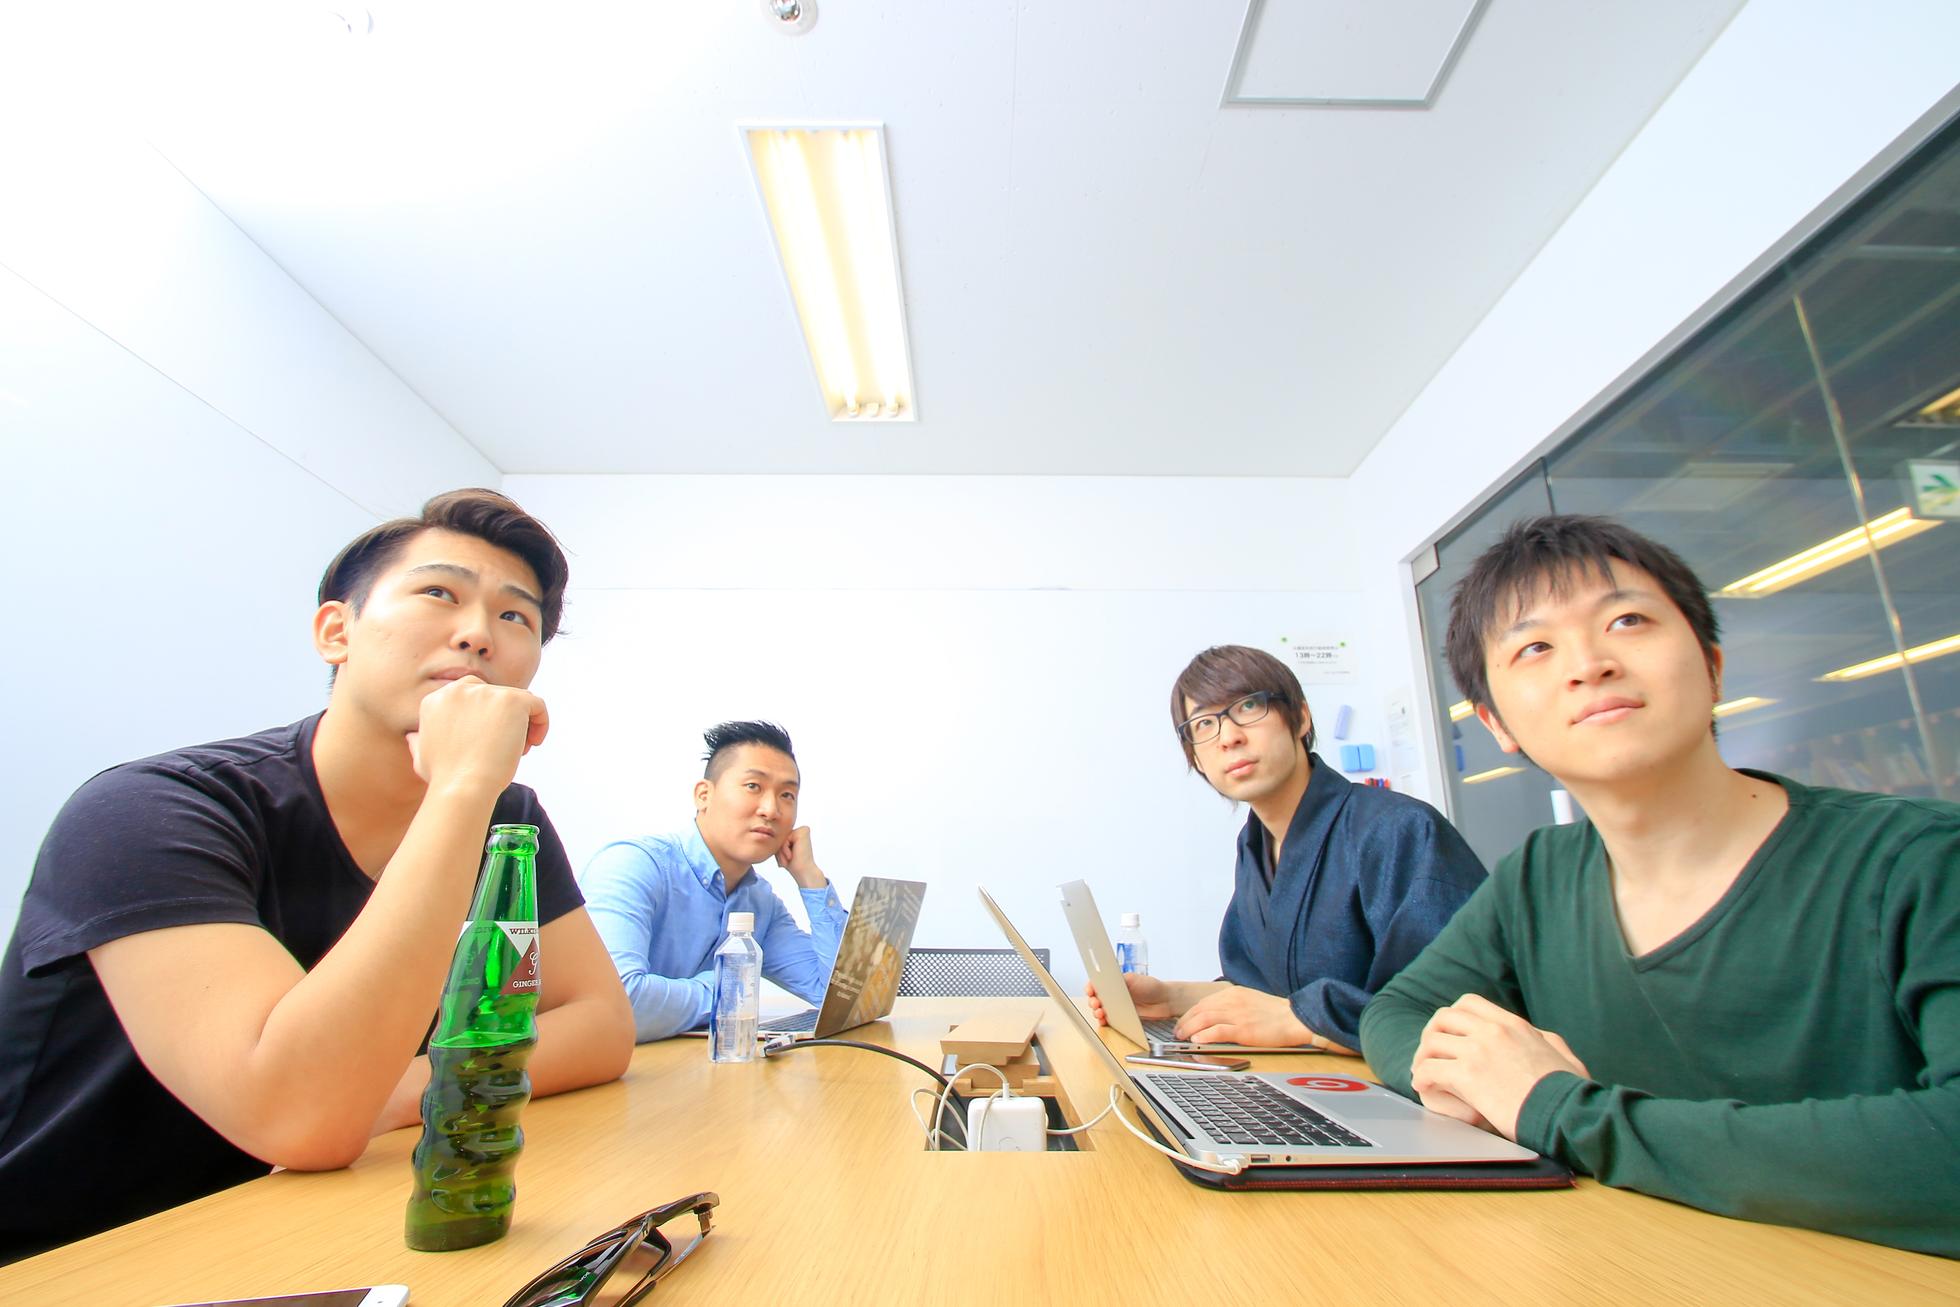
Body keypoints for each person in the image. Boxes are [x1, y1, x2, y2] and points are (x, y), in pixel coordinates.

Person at [0, 489, 635, 1261]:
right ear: (336, 631)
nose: (478, 634)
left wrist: (392, 1092)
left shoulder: (505, 818)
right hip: (76, 1253)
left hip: (308, 1225)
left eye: (515, 617)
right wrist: (463, 785)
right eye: (439, 593)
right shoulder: (148, 810)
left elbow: (601, 1024)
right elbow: (299, 1117)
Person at [1359, 513, 1960, 1257]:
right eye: (1536, 647)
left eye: (1628, 620)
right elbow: (1397, 1011)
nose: (1589, 664)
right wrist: (1464, 1075)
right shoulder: (1538, 875)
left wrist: (1554, 1108)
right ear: (1496, 724)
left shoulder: (1921, 861)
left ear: (1712, 665)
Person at [1088, 645, 1486, 1051]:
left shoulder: (1400, 830)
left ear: (1300, 717)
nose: (1229, 737)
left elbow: (1453, 1014)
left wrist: (1304, 1021)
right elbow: (1264, 992)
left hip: (1399, 1085)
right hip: (1307, 1076)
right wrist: (1172, 998)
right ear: (1196, 757)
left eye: (1247, 707)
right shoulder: (1255, 845)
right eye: (1204, 723)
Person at [583, 721, 849, 1042]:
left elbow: (838, 998)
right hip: (616, 1067)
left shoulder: (759, 902)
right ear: (704, 795)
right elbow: (618, 1002)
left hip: (699, 1066)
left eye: (787, 795)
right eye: (753, 786)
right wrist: (728, 989)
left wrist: (810, 878)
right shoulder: (632, 865)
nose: (771, 809)